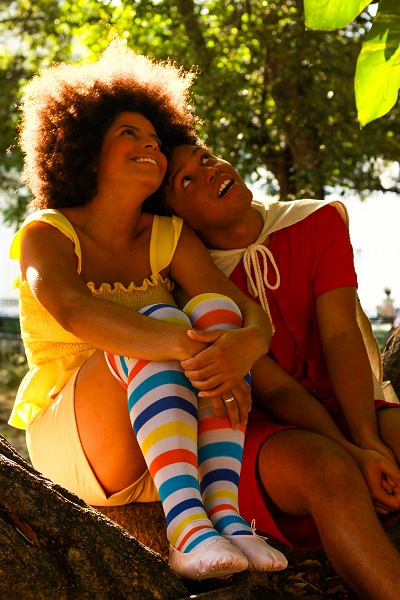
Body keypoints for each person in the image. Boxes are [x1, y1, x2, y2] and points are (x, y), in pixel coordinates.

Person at [8, 42, 287, 580]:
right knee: (166, 320)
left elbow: (245, 312)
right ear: (85, 148)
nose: (151, 146)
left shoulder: (169, 235)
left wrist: (244, 344)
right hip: (80, 441)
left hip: (168, 441)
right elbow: (72, 308)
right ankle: (185, 530)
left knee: (214, 311)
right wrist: (189, 348)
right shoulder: (47, 232)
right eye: (128, 133)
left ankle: (223, 514)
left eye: (155, 139)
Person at [157, 142, 400, 599]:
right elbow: (276, 390)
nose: (209, 171)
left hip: (344, 401)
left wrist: (367, 439)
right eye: (185, 179)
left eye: (206, 157)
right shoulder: (193, 284)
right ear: (177, 221)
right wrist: (351, 452)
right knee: (330, 469)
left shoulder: (315, 221)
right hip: (254, 432)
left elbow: (340, 336)